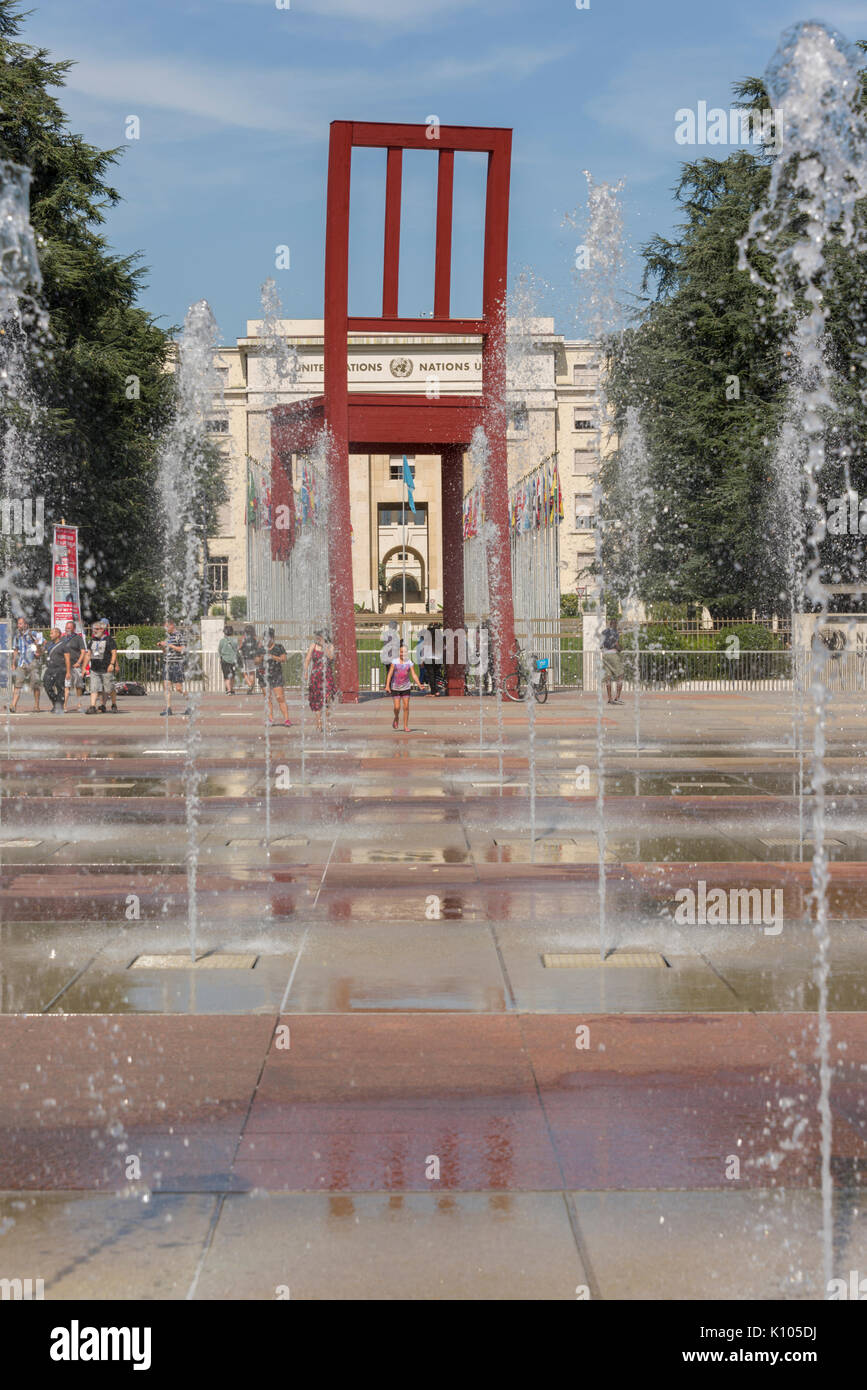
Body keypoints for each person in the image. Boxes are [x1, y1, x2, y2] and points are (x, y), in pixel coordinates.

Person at [385, 640, 424, 732]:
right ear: (399, 652)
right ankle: (396, 717)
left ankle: (406, 726)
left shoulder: (409, 662)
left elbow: (413, 674)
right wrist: (387, 686)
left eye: (405, 652)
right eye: (401, 652)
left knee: (406, 707)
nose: (403, 654)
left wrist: (419, 685)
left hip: (406, 687)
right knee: (397, 707)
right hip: (395, 687)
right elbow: (390, 674)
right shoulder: (394, 662)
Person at [83, 619, 119, 713]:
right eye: (93, 629)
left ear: (102, 629)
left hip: (106, 668)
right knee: (94, 688)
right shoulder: (92, 640)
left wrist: (112, 664)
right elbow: (88, 654)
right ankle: (92, 706)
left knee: (109, 688)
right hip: (95, 669)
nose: (94, 631)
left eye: (96, 629)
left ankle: (114, 704)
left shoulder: (109, 640)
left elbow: (114, 653)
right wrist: (84, 667)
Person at [304, 630, 335, 732]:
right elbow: (307, 659)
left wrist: (324, 646)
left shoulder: (330, 646)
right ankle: (319, 723)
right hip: (315, 676)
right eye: (317, 637)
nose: (317, 639)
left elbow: (331, 657)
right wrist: (305, 673)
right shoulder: (313, 646)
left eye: (319, 637)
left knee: (327, 699)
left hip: (327, 676)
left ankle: (328, 722)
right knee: (317, 700)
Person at [10, 617, 43, 713]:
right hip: (22, 662)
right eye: (18, 623)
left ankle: (36, 706)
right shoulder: (16, 636)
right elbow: (15, 650)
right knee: (17, 684)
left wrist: (39, 650)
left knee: (35, 684)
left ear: (26, 625)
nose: (18, 625)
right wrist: (13, 663)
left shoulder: (33, 634)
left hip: (33, 662)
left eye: (20, 623)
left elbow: (43, 642)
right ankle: (13, 705)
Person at [158, 619, 189, 717]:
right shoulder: (169, 637)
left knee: (178, 688)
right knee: (166, 686)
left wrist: (169, 645)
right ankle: (168, 708)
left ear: (172, 625)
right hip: (167, 664)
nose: (165, 629)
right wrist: (162, 647)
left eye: (167, 627)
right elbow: (166, 652)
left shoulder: (179, 636)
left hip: (177, 664)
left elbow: (183, 649)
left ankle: (190, 703)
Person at [262, 628, 291, 726]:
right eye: (265, 637)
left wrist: (272, 656)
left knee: (280, 698)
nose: (266, 639)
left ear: (273, 638)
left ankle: (286, 719)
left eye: (268, 637)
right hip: (264, 675)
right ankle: (270, 719)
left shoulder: (279, 647)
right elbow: (256, 661)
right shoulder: (261, 648)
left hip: (276, 675)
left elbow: (284, 659)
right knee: (268, 698)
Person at [42, 628, 72, 713]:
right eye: (50, 633)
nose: (50, 635)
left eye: (52, 633)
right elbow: (40, 652)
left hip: (60, 669)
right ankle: (56, 703)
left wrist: (68, 672)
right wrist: (38, 645)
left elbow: (67, 659)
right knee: (47, 686)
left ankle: (58, 706)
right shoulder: (48, 644)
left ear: (58, 634)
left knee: (60, 688)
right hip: (50, 669)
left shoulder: (64, 644)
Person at [600, 619, 624, 705]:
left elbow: (600, 646)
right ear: (614, 624)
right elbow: (616, 644)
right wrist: (620, 649)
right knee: (620, 675)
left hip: (605, 655)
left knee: (608, 677)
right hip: (613, 654)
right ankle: (617, 697)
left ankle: (610, 698)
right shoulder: (615, 632)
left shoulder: (603, 632)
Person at [239, 624, 261, 695]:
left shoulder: (243, 638)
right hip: (253, 657)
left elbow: (240, 647)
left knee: (244, 672)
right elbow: (259, 647)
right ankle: (251, 686)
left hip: (245, 658)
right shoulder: (255, 639)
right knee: (252, 672)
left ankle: (250, 685)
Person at [218, 624, 240, 694]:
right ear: (232, 632)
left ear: (224, 632)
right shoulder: (235, 640)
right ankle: (232, 689)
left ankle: (229, 690)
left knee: (226, 675)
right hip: (233, 660)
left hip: (224, 660)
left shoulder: (222, 641)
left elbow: (219, 650)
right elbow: (237, 649)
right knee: (232, 675)